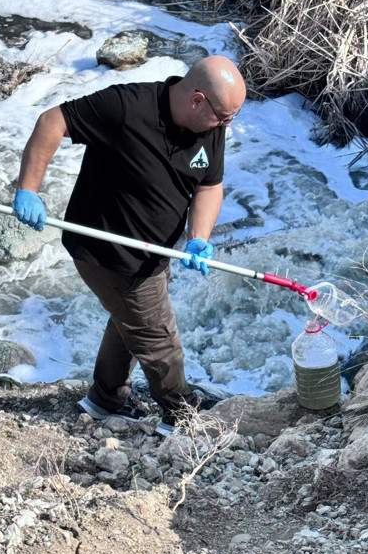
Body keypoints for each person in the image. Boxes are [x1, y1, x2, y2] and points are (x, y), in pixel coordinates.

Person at [13, 55, 246, 434]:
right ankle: (181, 416)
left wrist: (198, 236)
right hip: (110, 253)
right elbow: (52, 122)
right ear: (196, 100)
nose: (227, 125)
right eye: (223, 117)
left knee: (130, 320)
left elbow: (209, 184)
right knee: (158, 338)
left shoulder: (211, 125)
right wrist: (28, 189)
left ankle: (105, 399)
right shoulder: (125, 107)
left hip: (156, 252)